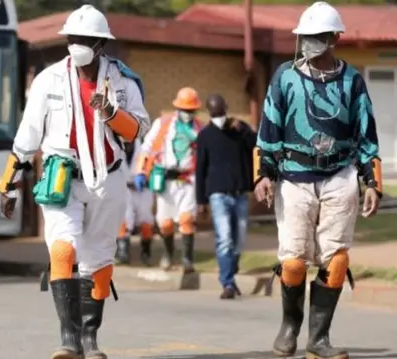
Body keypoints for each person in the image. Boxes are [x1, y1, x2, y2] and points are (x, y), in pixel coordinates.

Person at [0, 5, 149, 359]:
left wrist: (111, 113)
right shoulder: (49, 79)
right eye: (72, 38)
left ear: (100, 44)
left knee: (98, 260)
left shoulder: (123, 81)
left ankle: (90, 337)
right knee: (63, 249)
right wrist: (8, 183)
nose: (76, 44)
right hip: (62, 177)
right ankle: (69, 338)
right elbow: (28, 134)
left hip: (108, 178)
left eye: (84, 39)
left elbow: (139, 128)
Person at [254, 2, 381, 358]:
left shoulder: (352, 80)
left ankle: (319, 338)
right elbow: (268, 129)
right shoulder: (285, 77)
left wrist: (372, 181)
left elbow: (366, 134)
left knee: (336, 260)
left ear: (334, 38)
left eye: (317, 37)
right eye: (305, 37)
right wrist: (264, 173)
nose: (309, 43)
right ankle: (289, 326)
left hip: (340, 175)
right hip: (294, 176)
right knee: (293, 261)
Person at [195, 94, 257, 299]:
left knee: (239, 239)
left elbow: (256, 145)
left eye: (221, 111)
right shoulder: (205, 135)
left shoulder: (239, 129)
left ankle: (231, 267)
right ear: (209, 112)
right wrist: (201, 201)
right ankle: (227, 283)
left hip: (240, 193)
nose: (218, 116)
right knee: (225, 239)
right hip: (217, 194)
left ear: (226, 108)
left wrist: (245, 131)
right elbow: (200, 169)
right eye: (214, 113)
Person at [134, 88, 203, 272]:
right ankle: (168, 254)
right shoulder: (163, 124)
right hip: (165, 180)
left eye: (191, 111)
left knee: (186, 219)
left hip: (188, 179)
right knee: (164, 223)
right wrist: (141, 172)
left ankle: (187, 260)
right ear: (178, 108)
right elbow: (147, 148)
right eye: (185, 110)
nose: (188, 114)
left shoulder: (199, 128)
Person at [115, 138, 155, 266]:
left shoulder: (144, 143)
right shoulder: (113, 142)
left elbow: (153, 160)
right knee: (123, 218)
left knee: (146, 219)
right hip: (123, 187)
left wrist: (147, 176)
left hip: (143, 188)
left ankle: (146, 252)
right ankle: (123, 252)